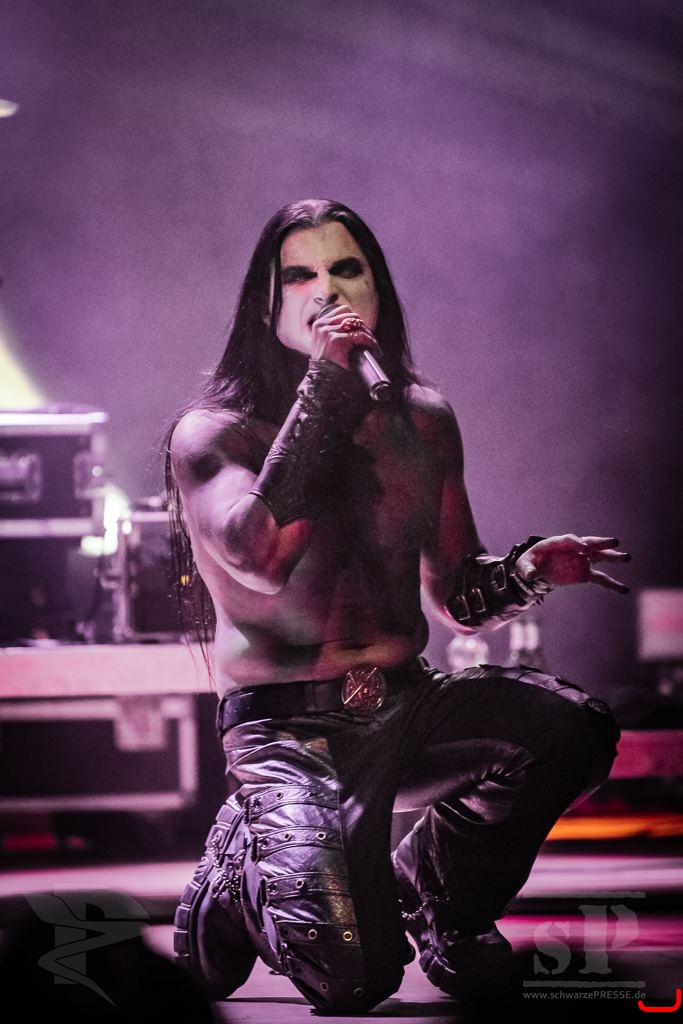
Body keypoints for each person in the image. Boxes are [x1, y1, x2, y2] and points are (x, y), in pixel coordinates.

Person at [165, 198, 629, 1013]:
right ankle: (240, 873)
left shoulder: (421, 419)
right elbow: (259, 559)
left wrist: (525, 570)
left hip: (401, 707)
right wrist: (323, 385)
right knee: (356, 980)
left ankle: (443, 901)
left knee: (571, 727)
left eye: (347, 269)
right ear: (264, 304)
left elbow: (454, 596)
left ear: (377, 290)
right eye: (300, 275)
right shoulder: (214, 433)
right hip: (286, 730)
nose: (326, 291)